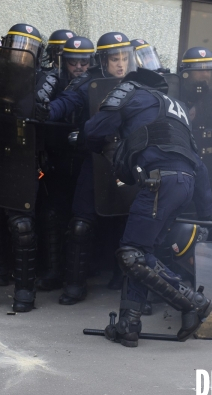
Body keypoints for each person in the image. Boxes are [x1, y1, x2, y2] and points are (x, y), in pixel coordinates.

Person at [83, 68, 212, 347]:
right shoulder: (175, 109)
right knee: (143, 254)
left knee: (132, 255)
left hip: (160, 183)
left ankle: (193, 303)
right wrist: (207, 213)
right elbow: (198, 163)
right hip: (185, 184)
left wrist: (95, 141)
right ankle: (128, 326)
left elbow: (94, 129)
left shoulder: (132, 93)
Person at [40, 32, 137, 305]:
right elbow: (68, 102)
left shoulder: (143, 83)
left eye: (124, 58)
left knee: (128, 221)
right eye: (115, 58)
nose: (120, 64)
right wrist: (47, 110)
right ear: (103, 60)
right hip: (95, 160)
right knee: (81, 224)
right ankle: (75, 284)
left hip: (130, 162)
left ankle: (125, 277)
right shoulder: (90, 83)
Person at [0, 23, 47, 312]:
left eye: (29, 49)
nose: (21, 54)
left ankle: (25, 291)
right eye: (17, 45)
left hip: (23, 159)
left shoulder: (43, 81)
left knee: (22, 226)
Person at [35, 36, 95, 291]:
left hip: (84, 159)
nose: (79, 67)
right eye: (74, 62)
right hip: (56, 158)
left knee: (80, 221)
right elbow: (53, 105)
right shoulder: (53, 81)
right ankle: (53, 271)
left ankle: (77, 275)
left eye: (84, 62)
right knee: (51, 216)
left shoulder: (95, 84)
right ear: (64, 62)